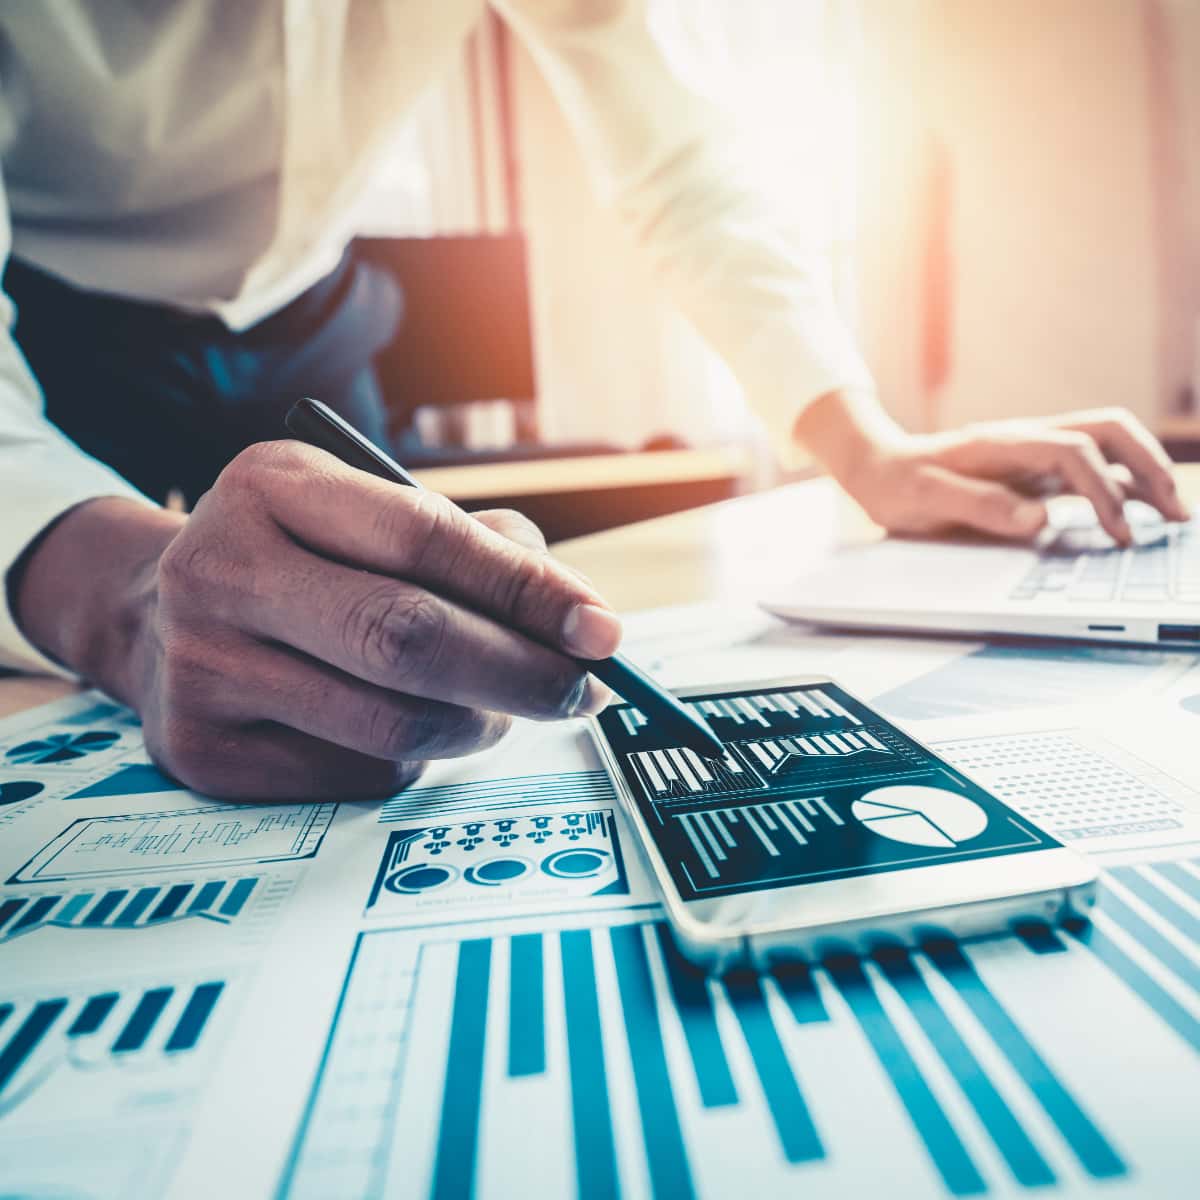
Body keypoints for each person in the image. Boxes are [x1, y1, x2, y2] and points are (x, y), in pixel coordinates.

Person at [0, 4, 1187, 799]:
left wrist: (860, 441)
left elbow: (684, 165)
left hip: (315, 317)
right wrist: (119, 601)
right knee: (136, 671)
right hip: (46, 327)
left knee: (348, 709)